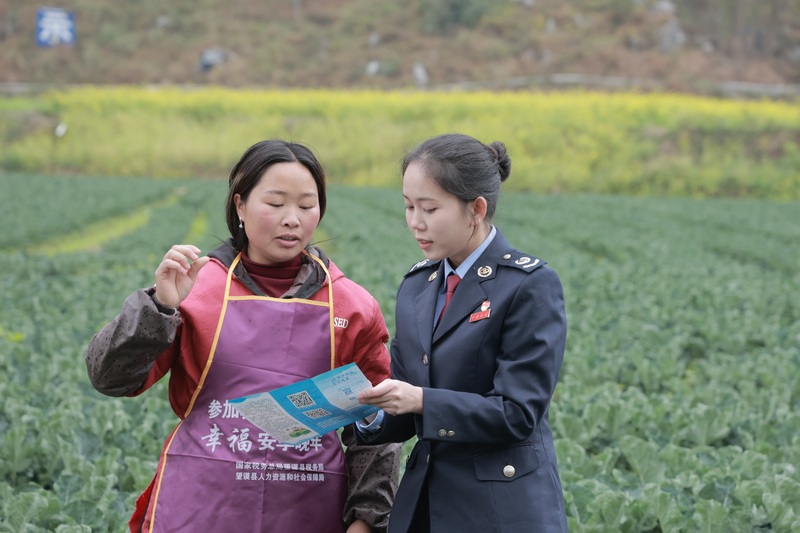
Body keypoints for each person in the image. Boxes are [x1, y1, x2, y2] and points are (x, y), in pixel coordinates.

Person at [86, 139, 400, 533]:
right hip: (199, 506)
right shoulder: (194, 289)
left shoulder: (352, 306)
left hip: (307, 509)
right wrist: (159, 307)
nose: (292, 219)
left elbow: (376, 425)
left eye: (306, 206)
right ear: (240, 206)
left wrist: (367, 519)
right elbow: (111, 379)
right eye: (275, 203)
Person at [356, 133, 568, 532]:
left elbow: (518, 413)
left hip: (499, 511)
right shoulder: (416, 287)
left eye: (430, 208)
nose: (415, 222)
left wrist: (421, 400)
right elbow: (407, 406)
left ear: (476, 209)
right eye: (408, 206)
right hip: (424, 507)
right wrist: (366, 410)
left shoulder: (527, 284)